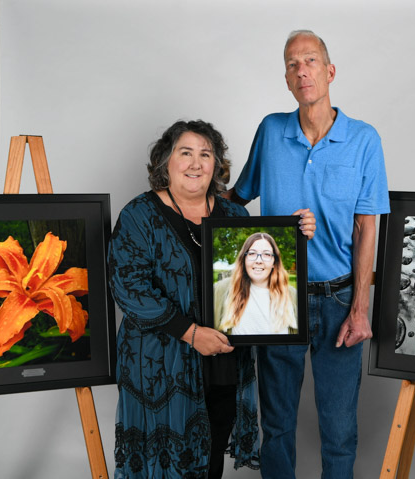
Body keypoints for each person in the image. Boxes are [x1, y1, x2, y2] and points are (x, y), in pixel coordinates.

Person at [225, 30, 390, 478]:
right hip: (277, 298)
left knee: (339, 430)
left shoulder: (363, 140)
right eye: (293, 64)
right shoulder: (271, 131)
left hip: (339, 301)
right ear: (286, 79)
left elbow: (366, 229)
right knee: (276, 426)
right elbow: (233, 203)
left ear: (330, 71)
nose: (303, 70)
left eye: (311, 61)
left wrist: (360, 309)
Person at [108, 120, 259, 478]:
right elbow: (130, 288)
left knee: (210, 462)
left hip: (223, 363)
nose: (196, 163)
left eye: (206, 154)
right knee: (161, 463)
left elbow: (257, 279)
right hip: (159, 367)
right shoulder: (139, 215)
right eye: (186, 152)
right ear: (166, 162)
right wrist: (191, 333)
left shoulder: (235, 216)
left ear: (216, 165)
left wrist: (296, 237)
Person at [215, 232, 297, 335]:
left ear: (274, 262)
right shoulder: (221, 290)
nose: (259, 260)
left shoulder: (292, 295)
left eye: (266, 254)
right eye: (252, 253)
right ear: (244, 259)